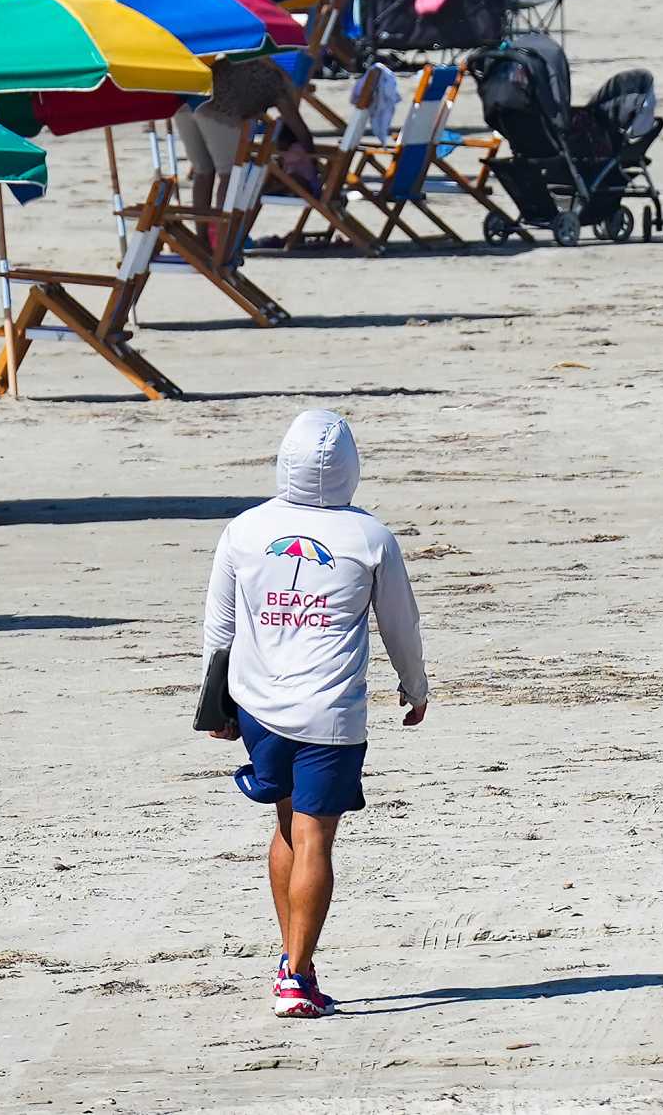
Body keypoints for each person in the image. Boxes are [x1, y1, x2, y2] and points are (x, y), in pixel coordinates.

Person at [202, 409, 427, 1019]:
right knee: (315, 837)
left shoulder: (245, 530)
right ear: (351, 470)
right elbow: (399, 623)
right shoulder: (369, 537)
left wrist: (215, 705)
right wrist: (415, 685)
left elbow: (220, 626)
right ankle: (297, 975)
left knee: (285, 826)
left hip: (258, 708)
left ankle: (290, 958)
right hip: (331, 713)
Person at [171, 57, 317, 229]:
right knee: (229, 174)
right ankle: (221, 236)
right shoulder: (278, 83)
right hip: (218, 109)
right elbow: (299, 128)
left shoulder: (249, 63)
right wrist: (314, 161)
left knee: (203, 173)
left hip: (186, 103)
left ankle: (203, 239)